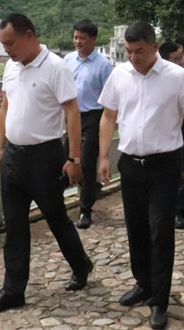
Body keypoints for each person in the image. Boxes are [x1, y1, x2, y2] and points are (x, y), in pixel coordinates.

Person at [0, 13, 93, 315]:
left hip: (45, 157)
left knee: (56, 219)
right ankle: (13, 290)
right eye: (3, 45)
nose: (7, 50)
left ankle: (80, 264)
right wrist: (1, 146)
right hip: (13, 157)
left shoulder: (55, 67)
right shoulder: (11, 66)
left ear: (29, 36)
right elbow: (5, 106)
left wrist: (74, 158)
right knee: (14, 226)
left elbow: (72, 112)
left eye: (11, 43)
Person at [97, 22, 184, 330]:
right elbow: (108, 115)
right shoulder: (119, 75)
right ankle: (143, 282)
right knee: (137, 228)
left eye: (139, 51)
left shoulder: (176, 76)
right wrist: (103, 156)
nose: (133, 57)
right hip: (131, 163)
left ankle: (159, 300)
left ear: (155, 47)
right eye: (129, 51)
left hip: (164, 165)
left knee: (160, 232)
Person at [63, 19, 113, 229]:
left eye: (82, 38)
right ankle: (66, 201)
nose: (77, 41)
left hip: (93, 116)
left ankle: (85, 209)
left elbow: (110, 96)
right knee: (66, 158)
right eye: (75, 37)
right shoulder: (68, 60)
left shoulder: (103, 65)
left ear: (93, 39)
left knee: (86, 162)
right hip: (71, 117)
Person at [159, 41, 184, 230]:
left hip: (183, 129)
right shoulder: (154, 77)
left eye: (182, 57)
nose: (182, 62)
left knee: (181, 171)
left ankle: (179, 212)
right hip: (161, 132)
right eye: (177, 59)